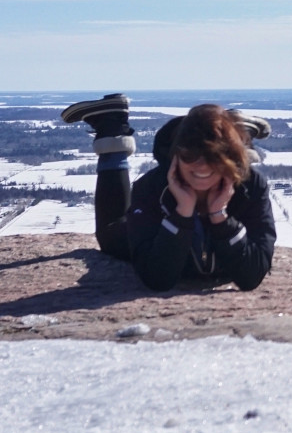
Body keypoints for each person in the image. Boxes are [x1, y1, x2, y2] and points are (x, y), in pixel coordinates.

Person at [60, 94, 276, 291]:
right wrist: (181, 214)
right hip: (158, 229)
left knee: (237, 171)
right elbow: (157, 279)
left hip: (234, 171)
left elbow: (251, 277)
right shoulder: (151, 187)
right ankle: (112, 126)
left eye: (213, 156)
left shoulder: (251, 186)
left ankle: (237, 133)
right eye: (190, 155)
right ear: (176, 157)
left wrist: (220, 217)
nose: (201, 165)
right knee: (111, 236)